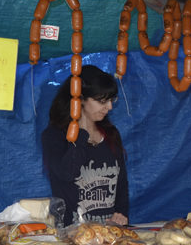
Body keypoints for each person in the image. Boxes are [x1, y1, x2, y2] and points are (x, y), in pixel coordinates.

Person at [42, 65, 129, 226]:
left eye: (111, 100)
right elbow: (68, 173)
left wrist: (121, 214)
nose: (109, 107)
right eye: (102, 101)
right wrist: (81, 131)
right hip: (73, 233)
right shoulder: (54, 136)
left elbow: (121, 184)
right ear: (80, 99)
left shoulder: (110, 133)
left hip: (108, 232)